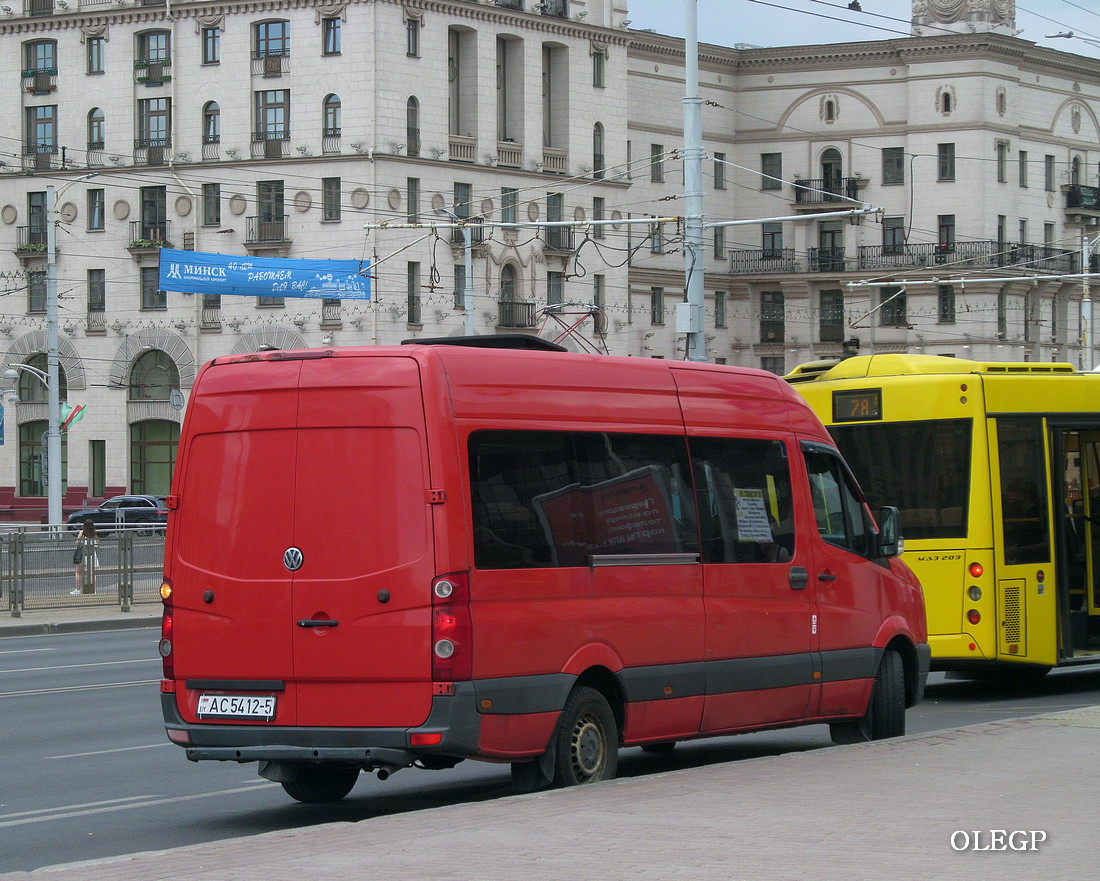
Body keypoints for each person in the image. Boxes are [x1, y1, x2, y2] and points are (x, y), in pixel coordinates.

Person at [71, 519, 98, 595]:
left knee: (78, 572)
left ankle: (78, 589)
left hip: (83, 554)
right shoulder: (94, 533)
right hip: (92, 553)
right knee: (92, 573)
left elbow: (77, 542)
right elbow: (97, 545)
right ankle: (93, 590)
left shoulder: (82, 533)